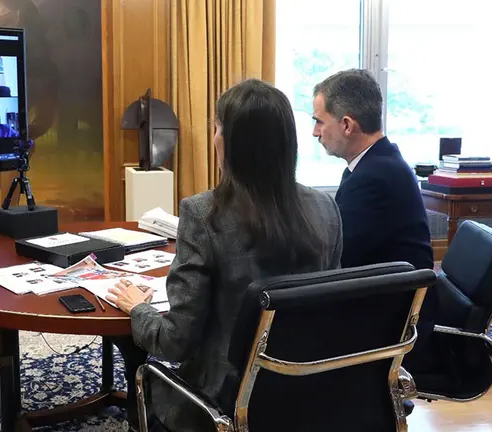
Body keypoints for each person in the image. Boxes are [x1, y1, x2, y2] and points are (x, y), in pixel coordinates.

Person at [106, 79, 344, 432]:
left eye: (216, 129)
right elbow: (332, 312)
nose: (213, 139)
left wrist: (137, 309)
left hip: (221, 408)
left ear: (229, 143)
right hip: (305, 396)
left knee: (140, 361)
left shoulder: (204, 214)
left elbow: (175, 342)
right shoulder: (325, 208)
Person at [311, 69, 435, 371]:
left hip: (389, 320)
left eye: (319, 121)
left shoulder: (375, 177)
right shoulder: (376, 163)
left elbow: (336, 255)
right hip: (387, 302)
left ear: (347, 125)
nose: (315, 132)